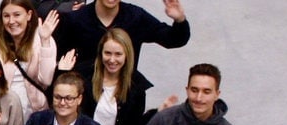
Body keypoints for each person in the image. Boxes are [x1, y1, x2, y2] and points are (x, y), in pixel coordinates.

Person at [53, 0, 189, 84]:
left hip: (122, 97)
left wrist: (179, 20)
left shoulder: (135, 17)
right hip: (84, 98)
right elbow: (57, 58)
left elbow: (173, 39)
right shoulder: (75, 20)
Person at [77, 28, 176, 125]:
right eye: (108, 53)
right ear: (101, 53)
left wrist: (159, 112)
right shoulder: (83, 75)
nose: (112, 59)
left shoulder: (136, 86)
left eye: (118, 54)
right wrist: (62, 71)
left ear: (126, 55)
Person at [0, 0, 60, 120]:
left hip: (34, 110)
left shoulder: (42, 39)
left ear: (28, 15)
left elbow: (46, 80)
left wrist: (45, 41)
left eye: (17, 15)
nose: (11, 21)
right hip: (3, 110)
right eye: (6, 16)